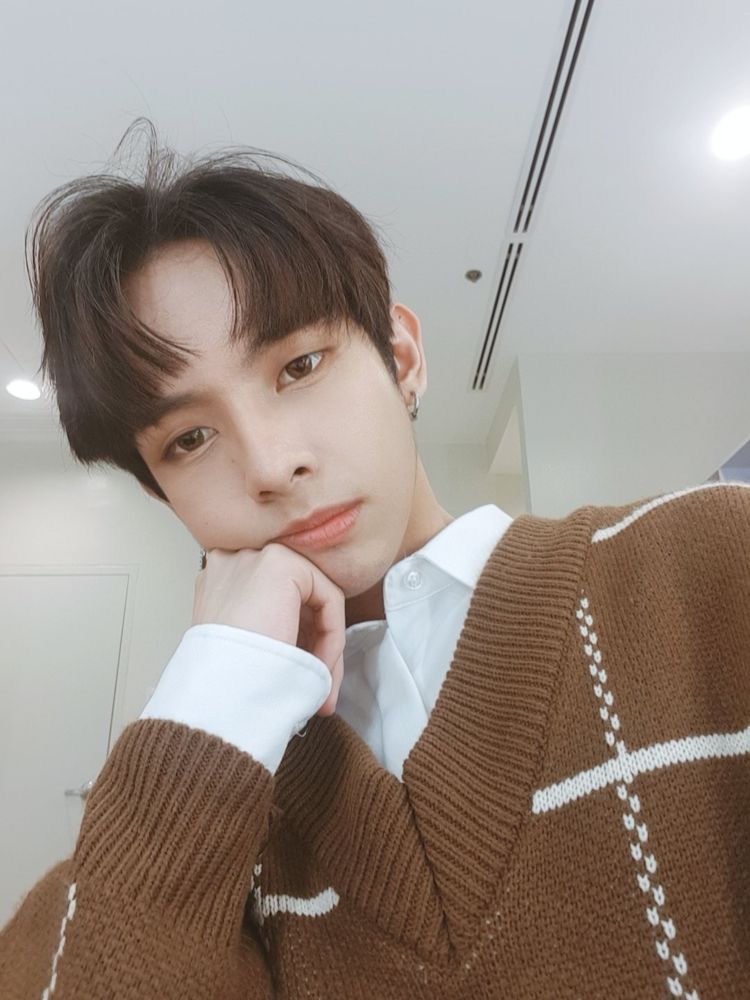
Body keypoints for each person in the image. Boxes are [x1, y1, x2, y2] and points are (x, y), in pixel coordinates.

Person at [1, 122, 748, 1000]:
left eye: (300, 365)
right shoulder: (210, 786)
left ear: (401, 358)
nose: (271, 463)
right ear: (165, 495)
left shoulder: (706, 561)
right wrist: (212, 702)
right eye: (189, 439)